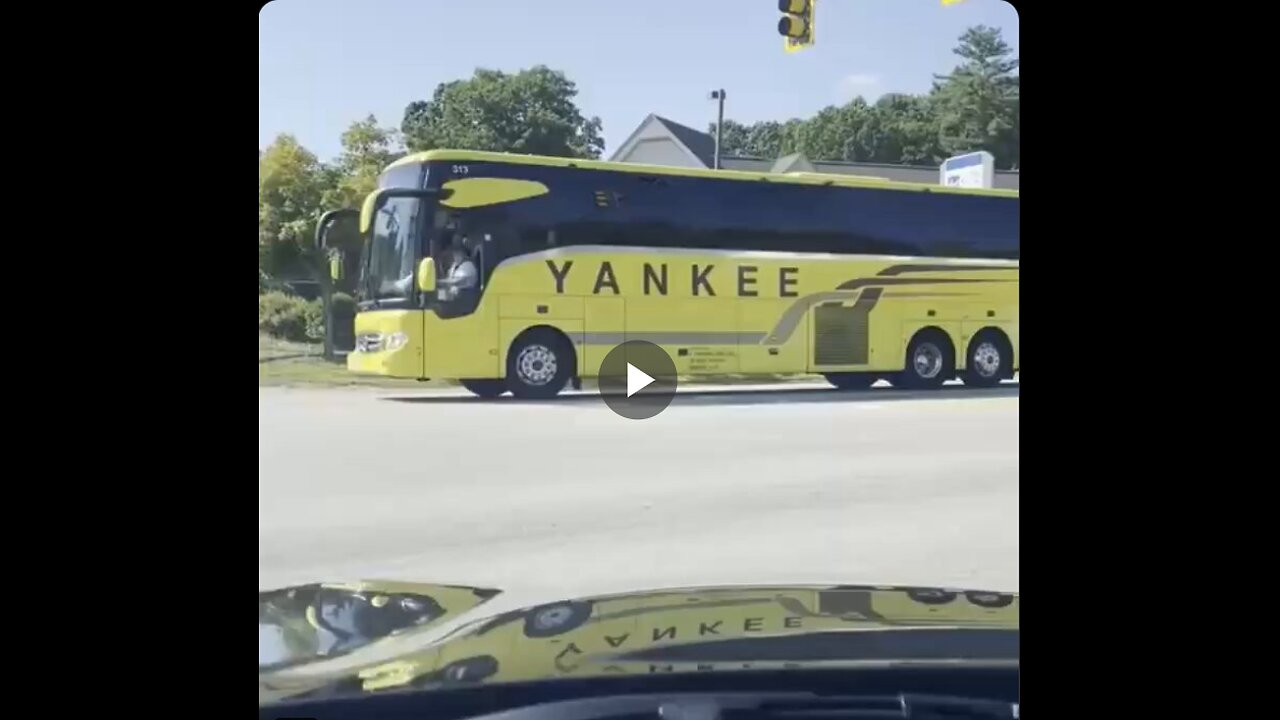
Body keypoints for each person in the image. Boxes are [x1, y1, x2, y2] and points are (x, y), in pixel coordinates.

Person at [438, 236, 479, 301]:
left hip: (465, 303)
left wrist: (438, 283)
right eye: (453, 252)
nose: (454, 254)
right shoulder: (455, 265)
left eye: (457, 251)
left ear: (463, 252)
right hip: (453, 301)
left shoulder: (468, 266)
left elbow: (456, 282)